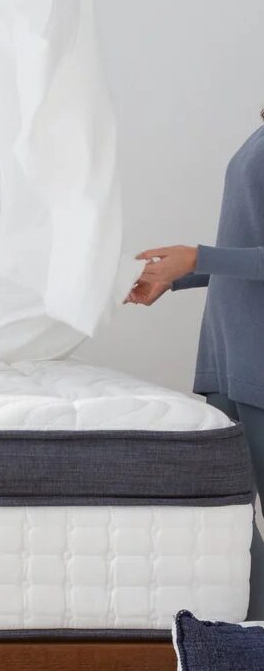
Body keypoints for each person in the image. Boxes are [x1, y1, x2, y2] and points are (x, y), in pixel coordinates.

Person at [128, 120, 264, 618]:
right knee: (228, 527)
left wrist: (196, 257)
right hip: (227, 355)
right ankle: (246, 652)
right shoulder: (258, 133)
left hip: (257, 364)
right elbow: (247, 245)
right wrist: (176, 275)